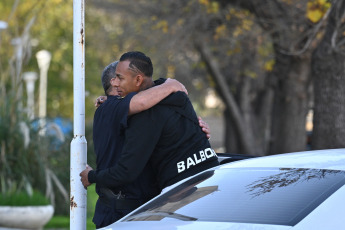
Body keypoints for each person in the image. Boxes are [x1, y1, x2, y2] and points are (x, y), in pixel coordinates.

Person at [81, 51, 219, 196]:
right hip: (212, 179)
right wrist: (170, 85)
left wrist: (91, 176)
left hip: (181, 194)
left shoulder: (146, 113)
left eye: (120, 78)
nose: (116, 83)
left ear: (138, 80)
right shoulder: (178, 96)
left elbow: (126, 171)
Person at [88, 61, 191, 229]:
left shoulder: (116, 107)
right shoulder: (112, 107)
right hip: (121, 214)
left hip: (138, 212)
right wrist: (172, 85)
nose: (140, 84)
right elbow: (142, 102)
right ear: (115, 81)